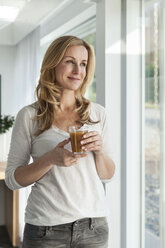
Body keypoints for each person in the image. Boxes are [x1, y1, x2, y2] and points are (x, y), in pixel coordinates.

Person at [5, 35, 115, 248]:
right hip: (46, 230)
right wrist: (50, 159)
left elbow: (108, 175)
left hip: (94, 228)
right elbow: (12, 179)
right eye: (70, 61)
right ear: (53, 64)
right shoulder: (29, 116)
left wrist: (100, 152)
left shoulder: (98, 114)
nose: (78, 71)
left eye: (83, 64)